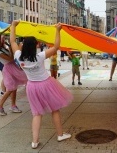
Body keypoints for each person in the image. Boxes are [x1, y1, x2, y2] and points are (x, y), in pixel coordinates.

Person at [10, 21, 73, 149]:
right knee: (55, 109)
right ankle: (60, 134)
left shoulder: (19, 57)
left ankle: (34, 141)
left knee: (36, 113)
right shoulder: (39, 56)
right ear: (35, 46)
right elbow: (56, 47)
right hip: (46, 84)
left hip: (32, 86)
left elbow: (12, 42)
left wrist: (13, 26)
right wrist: (58, 30)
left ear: (23, 46)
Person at [0, 38, 27, 116]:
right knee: (10, 89)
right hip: (9, 69)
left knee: (14, 89)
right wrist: (10, 49)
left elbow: (9, 53)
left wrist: (7, 45)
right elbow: (11, 58)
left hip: (13, 68)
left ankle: (13, 106)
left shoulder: (1, 49)